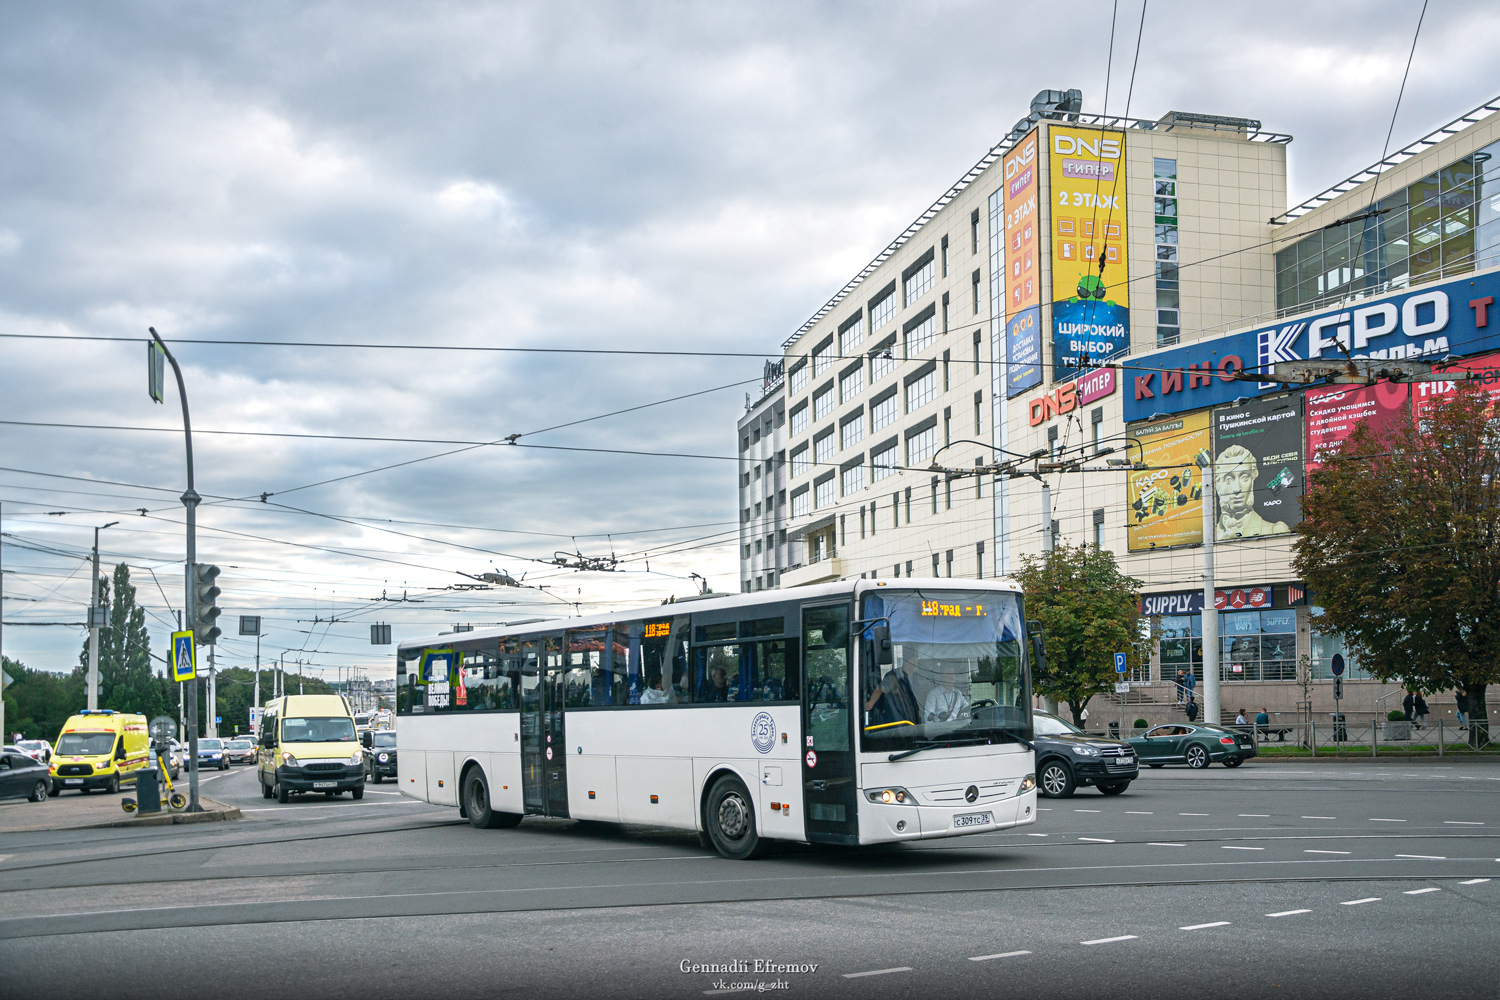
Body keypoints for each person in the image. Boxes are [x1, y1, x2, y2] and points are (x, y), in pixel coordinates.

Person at [1213, 444, 1291, 539]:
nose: (1237, 489)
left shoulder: (1275, 531)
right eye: (1228, 479)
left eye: (1244, 477)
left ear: (1252, 480)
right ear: (1218, 485)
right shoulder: (1207, 537)